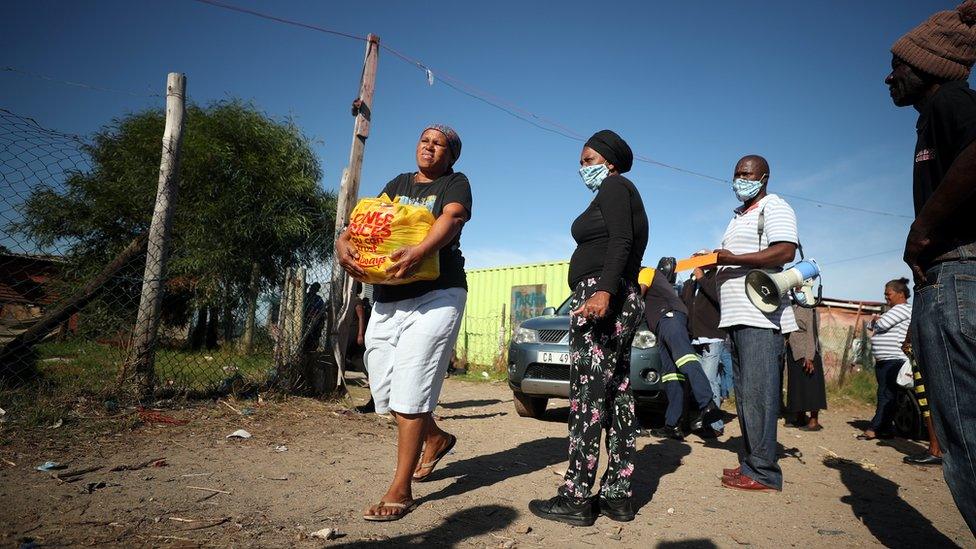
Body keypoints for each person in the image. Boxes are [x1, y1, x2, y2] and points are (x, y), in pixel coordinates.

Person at [336, 124, 471, 521]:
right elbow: (366, 222)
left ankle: (401, 488)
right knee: (385, 388)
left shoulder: (455, 183)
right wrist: (344, 243)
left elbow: (452, 219)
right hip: (389, 296)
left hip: (437, 294)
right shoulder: (397, 182)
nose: (429, 147)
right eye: (424, 140)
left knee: (412, 387)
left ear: (451, 155)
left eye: (438, 143)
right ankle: (435, 436)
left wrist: (422, 249)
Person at [886, 1, 976, 531]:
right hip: (951, 275)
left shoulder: (952, 102)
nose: (890, 76)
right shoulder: (933, 119)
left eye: (898, 65)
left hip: (956, 270)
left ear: (929, 64)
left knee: (964, 432)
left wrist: (923, 230)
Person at [529, 130, 647, 526]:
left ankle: (576, 495)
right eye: (581, 162)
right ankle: (617, 495)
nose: (583, 168)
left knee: (587, 396)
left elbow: (622, 241)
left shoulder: (615, 187)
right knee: (617, 395)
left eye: (589, 160)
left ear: (609, 162)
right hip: (617, 295)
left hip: (603, 297)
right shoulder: (618, 192)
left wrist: (602, 292)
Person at [713, 154, 798, 493]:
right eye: (736, 174)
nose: (740, 179)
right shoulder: (738, 217)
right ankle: (750, 462)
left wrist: (731, 258)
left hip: (760, 317)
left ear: (764, 177)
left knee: (760, 395)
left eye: (746, 173)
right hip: (736, 317)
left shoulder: (774, 207)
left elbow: (784, 252)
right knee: (746, 396)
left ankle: (764, 472)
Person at [641, 263, 720, 440]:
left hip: (670, 319)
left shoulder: (646, 272)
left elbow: (639, 294)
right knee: (672, 375)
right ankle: (672, 424)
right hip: (662, 325)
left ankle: (707, 404)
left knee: (685, 359)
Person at [859, 279, 912, 441]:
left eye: (888, 294)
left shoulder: (903, 309)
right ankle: (886, 429)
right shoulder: (895, 310)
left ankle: (874, 428)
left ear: (901, 294)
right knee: (887, 394)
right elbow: (871, 325)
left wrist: (876, 321)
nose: (886, 297)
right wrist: (875, 322)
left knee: (886, 394)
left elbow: (881, 324)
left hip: (894, 359)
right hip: (886, 360)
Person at [682, 265, 727, 436]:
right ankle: (703, 419)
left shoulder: (716, 278)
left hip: (712, 336)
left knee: (708, 380)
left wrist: (702, 278)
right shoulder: (691, 282)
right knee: (701, 379)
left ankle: (715, 425)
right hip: (695, 337)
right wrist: (693, 281)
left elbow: (718, 298)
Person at [902, 333, 944, 466]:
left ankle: (935, 450)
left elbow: (918, 314)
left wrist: (908, 339)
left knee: (927, 401)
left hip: (927, 349)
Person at [783, 303, 826, 431]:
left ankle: (814, 421)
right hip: (794, 352)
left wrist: (809, 356)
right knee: (797, 387)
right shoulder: (792, 307)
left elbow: (812, 334)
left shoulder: (810, 309)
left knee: (811, 387)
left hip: (807, 353)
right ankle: (800, 418)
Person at [302, 282, 326, 353]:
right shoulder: (305, 296)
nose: (312, 289)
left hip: (314, 321)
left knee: (313, 337)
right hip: (305, 319)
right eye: (312, 288)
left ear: (317, 290)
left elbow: (322, 310)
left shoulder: (318, 299)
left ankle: (311, 349)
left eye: (315, 289)